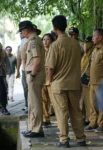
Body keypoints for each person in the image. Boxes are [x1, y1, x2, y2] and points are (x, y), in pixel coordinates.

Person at [45, 15, 86, 148]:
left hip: (59, 85)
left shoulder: (55, 45)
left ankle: (64, 140)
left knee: (62, 113)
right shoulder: (76, 44)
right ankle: (80, 139)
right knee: (76, 111)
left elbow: (50, 67)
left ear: (55, 28)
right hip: (74, 83)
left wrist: (49, 81)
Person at [18, 20, 45, 137]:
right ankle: (33, 127)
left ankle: (37, 129)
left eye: (21, 31)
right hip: (32, 74)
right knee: (32, 103)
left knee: (35, 103)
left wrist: (32, 75)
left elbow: (37, 60)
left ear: (26, 30)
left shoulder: (33, 41)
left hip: (35, 74)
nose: (21, 33)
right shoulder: (31, 41)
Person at [85, 28, 103, 132]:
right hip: (92, 81)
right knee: (92, 103)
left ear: (100, 37)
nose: (92, 38)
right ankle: (93, 122)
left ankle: (101, 123)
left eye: (94, 36)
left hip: (101, 82)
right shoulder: (95, 50)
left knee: (101, 104)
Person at [42, 33, 55, 127]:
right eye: (44, 39)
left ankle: (61, 119)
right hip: (42, 79)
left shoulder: (54, 51)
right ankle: (45, 118)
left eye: (47, 40)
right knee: (43, 100)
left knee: (54, 101)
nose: (45, 42)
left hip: (52, 79)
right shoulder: (40, 52)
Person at [81, 36, 94, 125]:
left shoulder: (93, 53)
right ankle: (87, 118)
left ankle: (93, 120)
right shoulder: (85, 55)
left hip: (92, 80)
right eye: (85, 44)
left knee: (91, 102)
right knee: (86, 101)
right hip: (84, 80)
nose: (85, 46)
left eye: (87, 44)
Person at [16, 32, 28, 113]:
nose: (21, 35)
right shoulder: (20, 44)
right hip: (24, 70)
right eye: (20, 34)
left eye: (22, 33)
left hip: (31, 69)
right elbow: (19, 58)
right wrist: (17, 70)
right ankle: (27, 105)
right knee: (26, 88)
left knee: (30, 89)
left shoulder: (31, 41)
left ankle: (29, 105)